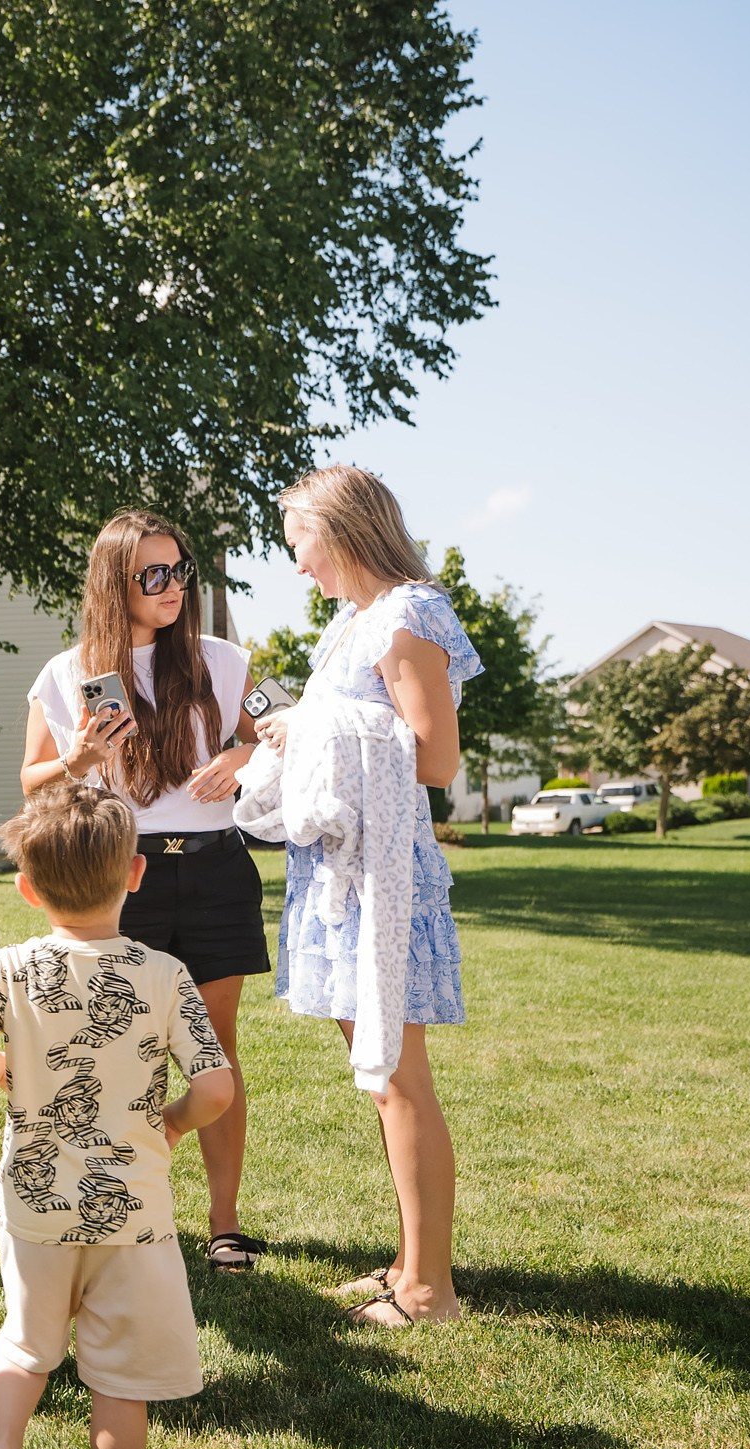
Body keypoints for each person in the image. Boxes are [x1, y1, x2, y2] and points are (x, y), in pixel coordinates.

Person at [0, 782, 234, 1449]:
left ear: (28, 889)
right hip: (132, 1211)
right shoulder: (165, 974)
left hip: (34, 1203)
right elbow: (217, 1087)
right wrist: (174, 1122)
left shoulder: (11, 965)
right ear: (136, 873)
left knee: (27, 1344)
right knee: (119, 1378)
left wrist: (3, 1070)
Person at [251, 465, 481, 1328]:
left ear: (341, 532)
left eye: (298, 544)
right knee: (379, 1075)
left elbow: (433, 758)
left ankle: (430, 1291)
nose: (296, 563)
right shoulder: (352, 625)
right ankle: (407, 1263)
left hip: (384, 874)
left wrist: (307, 726)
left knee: (398, 1077)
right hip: (343, 871)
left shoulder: (408, 614)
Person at [20, 510, 272, 1272]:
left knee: (213, 1051)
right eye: (152, 574)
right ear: (114, 582)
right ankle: (120, 1207)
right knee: (119, 1052)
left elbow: (285, 722)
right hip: (120, 874)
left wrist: (238, 755)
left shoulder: (224, 660)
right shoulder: (68, 674)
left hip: (216, 869)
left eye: (179, 570)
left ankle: (223, 1221)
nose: (172, 587)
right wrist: (76, 757)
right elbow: (30, 782)